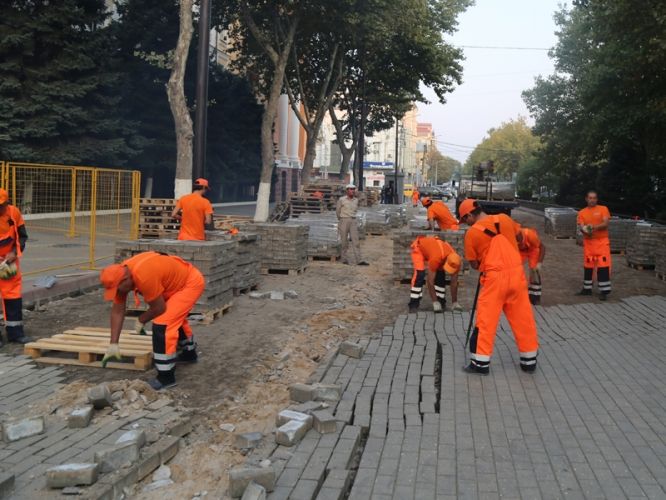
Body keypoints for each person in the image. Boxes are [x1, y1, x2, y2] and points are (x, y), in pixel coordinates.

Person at [100, 251, 205, 389]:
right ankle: (189, 354)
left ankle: (166, 377)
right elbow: (117, 311)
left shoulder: (143, 276)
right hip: (173, 283)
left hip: (189, 283)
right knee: (173, 317)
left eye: (117, 290)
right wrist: (113, 344)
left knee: (163, 324)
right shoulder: (121, 274)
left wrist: (141, 319)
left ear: (126, 280)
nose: (118, 293)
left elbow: (159, 308)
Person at [459, 198, 539, 375]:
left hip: (494, 280)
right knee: (523, 319)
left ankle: (480, 364)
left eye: (465, 220)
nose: (466, 223)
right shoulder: (504, 218)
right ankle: (529, 361)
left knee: (486, 321)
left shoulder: (472, 234)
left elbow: (473, 264)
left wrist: (484, 260)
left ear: (469, 215)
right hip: (517, 275)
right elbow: (520, 237)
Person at [0, 189, 32, 346]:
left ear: (7, 203)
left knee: (13, 296)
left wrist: (13, 252)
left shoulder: (14, 213)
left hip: (9, 263)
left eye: (1, 206)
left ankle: (16, 333)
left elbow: (22, 236)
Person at [409, 235, 462, 313]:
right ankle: (413, 304)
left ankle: (441, 301)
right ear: (446, 261)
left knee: (440, 275)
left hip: (437, 252)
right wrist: (435, 302)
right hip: (419, 249)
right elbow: (430, 281)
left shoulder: (455, 260)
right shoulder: (436, 258)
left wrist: (455, 302)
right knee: (419, 275)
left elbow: (454, 282)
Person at [576, 191, 611, 300]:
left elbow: (605, 223)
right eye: (590, 198)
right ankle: (587, 289)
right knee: (588, 266)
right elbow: (581, 226)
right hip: (589, 243)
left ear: (597, 199)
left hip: (602, 242)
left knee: (603, 266)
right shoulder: (582, 212)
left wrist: (592, 227)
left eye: (594, 198)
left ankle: (604, 291)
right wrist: (585, 230)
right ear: (586, 199)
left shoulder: (603, 209)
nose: (592, 200)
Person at [336, 184, 369, 266]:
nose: (352, 191)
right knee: (344, 241)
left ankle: (359, 260)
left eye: (353, 189)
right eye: (350, 189)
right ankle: (344, 259)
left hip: (353, 221)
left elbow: (356, 210)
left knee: (356, 241)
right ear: (347, 190)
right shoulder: (341, 200)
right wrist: (341, 219)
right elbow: (337, 211)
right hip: (344, 220)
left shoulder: (356, 200)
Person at [518, 227, 546, 305]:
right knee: (515, 270)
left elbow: (542, 247)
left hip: (533, 249)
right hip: (520, 251)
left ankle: (535, 297)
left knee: (534, 271)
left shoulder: (531, 235)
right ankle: (517, 295)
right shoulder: (510, 238)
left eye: (519, 242)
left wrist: (539, 263)